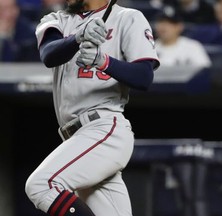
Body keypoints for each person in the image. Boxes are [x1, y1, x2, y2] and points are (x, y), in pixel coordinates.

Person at [24, 0, 160, 216]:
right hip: (76, 137)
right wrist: (77, 38)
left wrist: (104, 61)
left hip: (104, 127)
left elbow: (144, 77)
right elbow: (49, 54)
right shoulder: (57, 19)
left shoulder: (128, 17)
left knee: (42, 185)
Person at [153, 7, 212, 71]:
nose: (164, 27)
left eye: (170, 23)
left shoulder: (193, 46)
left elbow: (204, 72)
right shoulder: (149, 48)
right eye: (161, 22)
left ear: (180, 26)